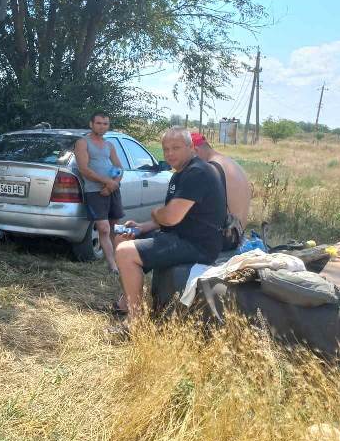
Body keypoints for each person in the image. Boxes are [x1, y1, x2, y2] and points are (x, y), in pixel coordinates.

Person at [114, 127, 226, 321]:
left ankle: (135, 322)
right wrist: (142, 227)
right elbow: (172, 218)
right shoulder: (181, 173)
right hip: (179, 237)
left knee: (126, 252)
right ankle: (127, 300)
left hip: (197, 245)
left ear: (191, 147)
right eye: (165, 149)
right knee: (121, 237)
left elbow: (170, 217)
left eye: (176, 148)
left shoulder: (197, 173)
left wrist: (155, 213)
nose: (169, 153)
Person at [73, 111, 124, 273]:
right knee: (103, 228)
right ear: (91, 124)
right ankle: (112, 266)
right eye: (99, 123)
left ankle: (120, 260)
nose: (102, 126)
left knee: (114, 227)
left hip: (111, 190)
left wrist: (113, 184)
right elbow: (84, 169)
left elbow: (118, 167)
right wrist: (106, 182)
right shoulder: (83, 142)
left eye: (105, 124)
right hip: (94, 191)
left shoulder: (109, 145)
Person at [191, 132, 250, 245]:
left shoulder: (211, 169)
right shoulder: (231, 163)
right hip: (238, 235)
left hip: (224, 239)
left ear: (196, 150)